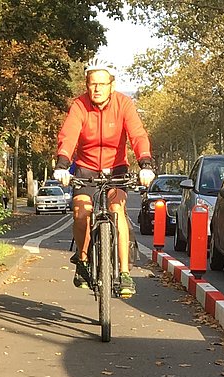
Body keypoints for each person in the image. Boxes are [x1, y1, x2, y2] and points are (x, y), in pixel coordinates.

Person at [54, 63, 156, 297]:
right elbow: (68, 135)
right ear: (87, 86)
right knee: (81, 213)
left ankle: (123, 273)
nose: (97, 89)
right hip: (86, 168)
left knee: (116, 211)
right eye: (92, 84)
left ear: (112, 85)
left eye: (102, 84)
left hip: (116, 167)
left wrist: (146, 164)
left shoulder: (124, 104)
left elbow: (137, 134)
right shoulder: (80, 105)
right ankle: (82, 260)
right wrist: (62, 163)